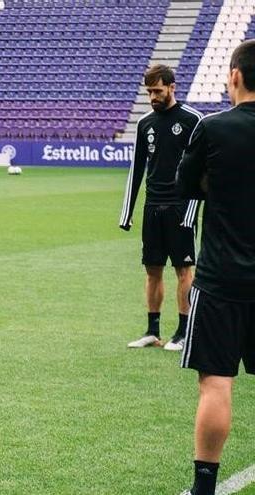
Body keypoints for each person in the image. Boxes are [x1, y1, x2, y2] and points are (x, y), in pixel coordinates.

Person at [176, 39, 255, 495]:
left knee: (216, 383)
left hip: (222, 278)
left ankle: (204, 488)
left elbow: (187, 185)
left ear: (236, 76)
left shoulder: (213, 128)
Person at [119, 64, 203, 351]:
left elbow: (201, 171)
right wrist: (127, 212)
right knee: (152, 270)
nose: (153, 96)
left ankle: (183, 331)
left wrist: (192, 212)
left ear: (172, 87)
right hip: (153, 206)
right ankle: (152, 331)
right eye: (149, 92)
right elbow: (136, 169)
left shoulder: (193, 120)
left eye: (157, 90)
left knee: (184, 270)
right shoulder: (145, 124)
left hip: (180, 206)